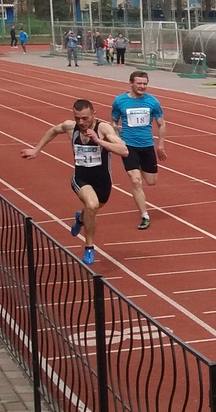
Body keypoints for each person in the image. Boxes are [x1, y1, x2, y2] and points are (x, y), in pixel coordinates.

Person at [20, 98, 128, 267]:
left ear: (94, 114)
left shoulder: (104, 128)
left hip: (103, 182)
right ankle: (89, 247)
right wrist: (36, 149)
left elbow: (124, 151)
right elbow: (53, 131)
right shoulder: (70, 127)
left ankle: (80, 218)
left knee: (92, 208)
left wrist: (98, 141)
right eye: (77, 118)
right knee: (91, 205)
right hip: (81, 178)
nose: (81, 122)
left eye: (85, 118)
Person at [110, 70, 167, 231]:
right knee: (135, 180)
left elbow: (161, 124)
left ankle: (138, 167)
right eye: (139, 83)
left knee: (151, 181)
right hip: (128, 146)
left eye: (145, 84)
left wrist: (160, 145)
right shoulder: (120, 101)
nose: (142, 86)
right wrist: (117, 135)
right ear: (131, 83)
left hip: (147, 145)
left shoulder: (152, 102)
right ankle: (145, 215)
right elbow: (113, 121)